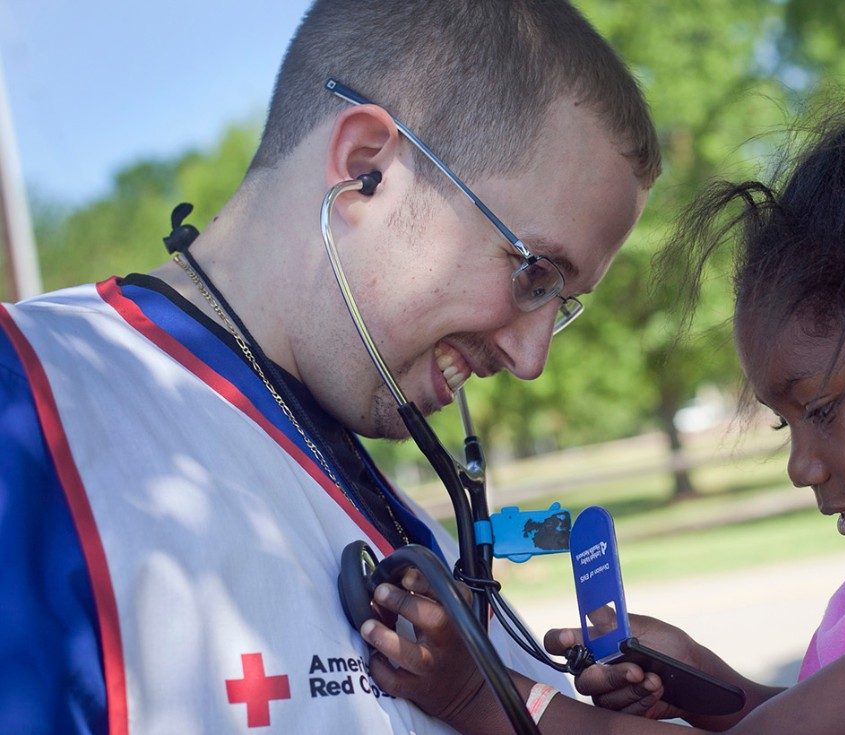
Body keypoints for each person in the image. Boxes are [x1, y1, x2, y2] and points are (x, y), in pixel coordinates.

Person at [356, 34, 845, 734]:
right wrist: (703, 680)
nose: (802, 464)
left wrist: (491, 700)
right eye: (787, 424)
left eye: (824, 408)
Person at [0, 2, 658, 733]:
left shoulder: (408, 520)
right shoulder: (31, 407)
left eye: (561, 302)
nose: (532, 360)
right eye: (534, 273)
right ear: (365, 167)